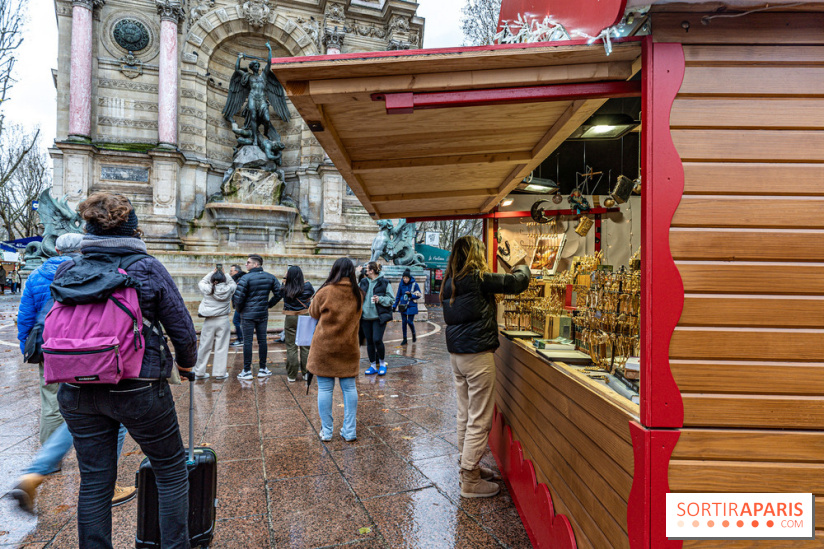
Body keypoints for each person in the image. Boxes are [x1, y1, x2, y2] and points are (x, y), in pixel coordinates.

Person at [53, 192, 198, 548]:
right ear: (133, 229)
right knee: (170, 470)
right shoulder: (145, 267)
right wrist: (185, 364)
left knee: (95, 481)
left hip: (76, 389)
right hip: (138, 386)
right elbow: (182, 330)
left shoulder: (68, 268)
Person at [10, 233, 134, 512]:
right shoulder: (90, 270)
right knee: (108, 416)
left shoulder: (37, 274)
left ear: (54, 248)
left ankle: (43, 465)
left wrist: (29, 348)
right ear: (83, 248)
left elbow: (27, 315)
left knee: (56, 405)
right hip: (91, 354)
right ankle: (107, 485)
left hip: (51, 349)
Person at [441, 235, 530, 498]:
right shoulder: (478, 278)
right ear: (475, 254)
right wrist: (520, 262)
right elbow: (517, 283)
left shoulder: (450, 281)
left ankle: (469, 465)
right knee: (479, 418)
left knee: (465, 413)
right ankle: (469, 478)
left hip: (457, 356)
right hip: (478, 355)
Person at [307, 258, 363, 442]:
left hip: (325, 348)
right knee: (349, 388)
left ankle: (327, 431)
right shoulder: (358, 294)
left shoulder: (325, 291)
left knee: (325, 388)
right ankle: (349, 431)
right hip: (348, 347)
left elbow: (313, 313)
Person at [232, 254, 281, 380]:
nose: (246, 264)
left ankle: (247, 370)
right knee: (262, 340)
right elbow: (279, 293)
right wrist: (269, 305)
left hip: (247, 315)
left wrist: (240, 310)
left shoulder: (245, 278)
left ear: (255, 264)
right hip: (262, 314)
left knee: (247, 342)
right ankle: (262, 369)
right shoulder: (270, 277)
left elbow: (238, 298)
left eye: (248, 262)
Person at [271, 265, 314, 382]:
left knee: (291, 347)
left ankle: (291, 375)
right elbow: (311, 294)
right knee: (305, 347)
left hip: (290, 317)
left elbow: (280, 293)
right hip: (305, 316)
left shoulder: (285, 288)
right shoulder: (308, 286)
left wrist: (285, 278)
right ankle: (306, 374)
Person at [193, 267, 236, 380]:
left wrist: (212, 272)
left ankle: (199, 372)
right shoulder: (229, 288)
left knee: (204, 346)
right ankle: (219, 373)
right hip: (223, 320)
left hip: (209, 320)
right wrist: (224, 272)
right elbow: (232, 281)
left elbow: (201, 281)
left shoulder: (208, 288)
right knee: (221, 346)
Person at [358, 262, 394, 376]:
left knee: (377, 339)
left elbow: (391, 299)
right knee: (369, 341)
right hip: (365, 317)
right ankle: (373, 365)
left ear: (372, 271)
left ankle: (382, 364)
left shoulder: (384, 282)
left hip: (379, 317)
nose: (365, 271)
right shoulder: (363, 282)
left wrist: (380, 299)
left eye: (367, 269)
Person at [393, 267, 422, 345]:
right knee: (404, 322)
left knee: (409, 321)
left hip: (412, 305)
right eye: (404, 278)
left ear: (409, 278)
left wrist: (411, 295)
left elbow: (419, 295)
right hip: (403, 305)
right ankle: (404, 338)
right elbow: (398, 295)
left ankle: (413, 333)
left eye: (406, 278)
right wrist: (394, 305)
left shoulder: (414, 284)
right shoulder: (401, 284)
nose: (405, 279)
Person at [229, 264, 246, 346]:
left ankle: (241, 340)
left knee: (236, 321)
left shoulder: (239, 280)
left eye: (231, 271)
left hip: (241, 305)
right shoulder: (241, 278)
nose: (230, 273)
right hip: (241, 305)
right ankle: (241, 339)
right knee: (240, 322)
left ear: (236, 271)